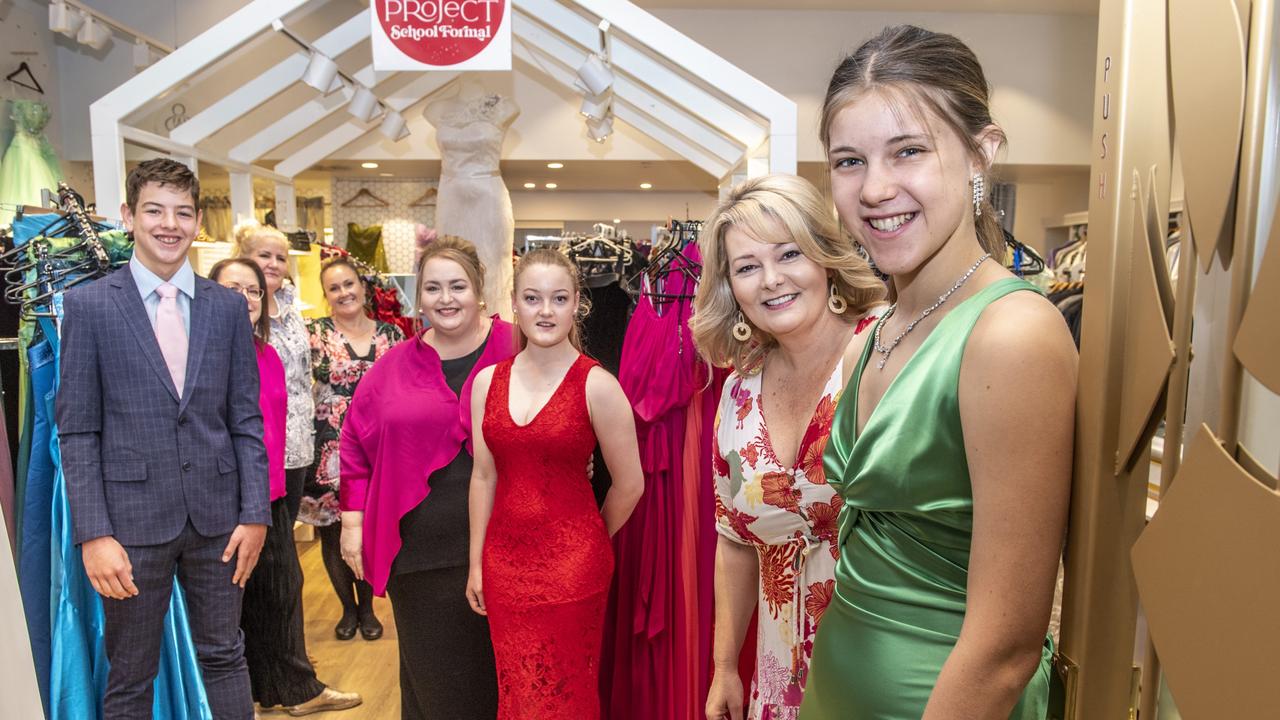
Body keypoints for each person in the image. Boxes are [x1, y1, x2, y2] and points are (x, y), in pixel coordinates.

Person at [799, 25, 1077, 720]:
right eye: (849, 161)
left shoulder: (1011, 333)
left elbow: (1005, 649)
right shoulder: (880, 331)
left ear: (982, 153)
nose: (875, 188)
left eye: (909, 151)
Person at [56, 158, 268, 718]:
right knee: (129, 675)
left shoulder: (226, 307)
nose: (168, 224)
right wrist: (93, 534)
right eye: (154, 210)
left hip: (220, 521)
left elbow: (245, 421)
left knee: (225, 656)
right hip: (129, 525)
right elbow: (76, 430)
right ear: (129, 216)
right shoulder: (89, 306)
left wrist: (255, 513)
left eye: (182, 212)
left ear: (198, 222)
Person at [690, 174, 886, 720]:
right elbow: (733, 540)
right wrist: (725, 667)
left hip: (881, 664)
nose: (771, 280)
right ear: (731, 287)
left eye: (789, 254)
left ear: (825, 257)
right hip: (779, 680)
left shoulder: (884, 355)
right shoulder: (737, 391)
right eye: (747, 267)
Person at [466, 249, 644, 719]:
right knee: (518, 691)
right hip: (504, 566)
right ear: (514, 304)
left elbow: (630, 484)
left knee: (565, 695)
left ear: (576, 305)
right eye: (533, 298)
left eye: (558, 298)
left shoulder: (597, 385)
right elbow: (483, 476)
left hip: (574, 569)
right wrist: (476, 564)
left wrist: (587, 539)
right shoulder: (487, 382)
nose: (545, 311)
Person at [339, 236, 513, 719]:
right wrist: (352, 525)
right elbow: (353, 440)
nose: (445, 298)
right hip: (421, 559)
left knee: (501, 685)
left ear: (479, 290)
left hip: (510, 549)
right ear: (419, 297)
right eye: (432, 287)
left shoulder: (519, 346)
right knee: (438, 686)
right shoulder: (392, 367)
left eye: (457, 285)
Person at [209, 259, 361, 717]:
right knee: (243, 594)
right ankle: (269, 689)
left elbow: (270, 427)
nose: (246, 299)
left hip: (268, 489)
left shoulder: (266, 353)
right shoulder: (203, 355)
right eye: (233, 288)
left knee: (275, 586)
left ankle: (280, 687)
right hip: (223, 496)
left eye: (254, 292)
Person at [304, 257, 403, 641]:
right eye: (334, 288)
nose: (344, 292)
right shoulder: (314, 333)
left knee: (372, 527)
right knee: (335, 532)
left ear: (363, 287)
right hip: (330, 446)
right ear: (326, 296)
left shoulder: (393, 335)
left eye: (349, 284)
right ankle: (348, 609)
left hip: (379, 445)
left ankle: (369, 607)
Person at [235, 221, 314, 522]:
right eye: (265, 255)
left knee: (284, 534)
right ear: (245, 258)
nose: (274, 264)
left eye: (281, 258)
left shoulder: (291, 309)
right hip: (261, 442)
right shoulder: (240, 310)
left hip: (297, 444)